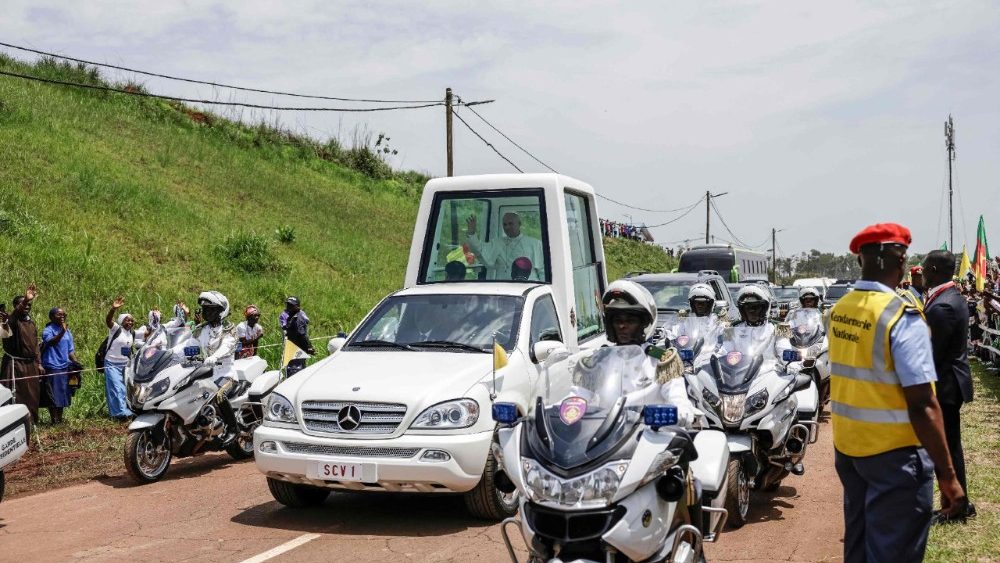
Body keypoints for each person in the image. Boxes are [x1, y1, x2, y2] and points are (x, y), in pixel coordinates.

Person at [830, 223, 965, 562]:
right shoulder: (901, 316)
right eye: (903, 257)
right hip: (894, 456)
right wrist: (948, 477)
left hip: (850, 450)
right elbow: (922, 403)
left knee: (858, 547)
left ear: (861, 259)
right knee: (893, 553)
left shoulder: (840, 310)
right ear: (897, 259)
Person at [922, 250, 976, 521]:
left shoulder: (943, 305)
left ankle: (955, 507)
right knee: (950, 445)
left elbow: (932, 352)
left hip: (945, 385)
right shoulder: (949, 297)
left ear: (933, 269)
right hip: (950, 382)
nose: (921, 272)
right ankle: (960, 502)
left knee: (947, 446)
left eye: (923, 267)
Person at [601, 280, 695, 424]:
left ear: (643, 324)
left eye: (630, 321)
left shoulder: (663, 360)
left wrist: (677, 413)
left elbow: (679, 400)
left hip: (649, 437)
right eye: (617, 320)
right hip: (604, 437)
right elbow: (579, 397)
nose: (622, 326)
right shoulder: (600, 360)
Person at [176, 291, 241, 445]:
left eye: (210, 309)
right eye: (204, 309)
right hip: (207, 373)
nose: (206, 312)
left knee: (219, 395)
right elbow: (187, 346)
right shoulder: (201, 329)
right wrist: (168, 353)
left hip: (226, 374)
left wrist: (215, 357)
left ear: (220, 311)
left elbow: (228, 345)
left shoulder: (229, 328)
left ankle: (233, 429)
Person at [1, 285, 44, 424]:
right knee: (15, 393)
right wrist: (26, 299)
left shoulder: (30, 322)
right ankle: (13, 423)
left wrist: (39, 363)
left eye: (29, 305)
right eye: (23, 304)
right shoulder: (11, 321)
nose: (26, 306)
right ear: (15, 306)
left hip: (31, 364)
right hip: (15, 365)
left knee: (32, 394)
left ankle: (31, 421)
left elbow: (35, 345)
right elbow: (15, 314)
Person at [104, 296, 149, 421]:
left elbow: (148, 333)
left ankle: (125, 410)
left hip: (126, 365)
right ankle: (118, 414)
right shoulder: (116, 329)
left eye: (131, 321)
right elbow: (108, 321)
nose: (129, 322)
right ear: (121, 321)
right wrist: (113, 309)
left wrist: (154, 320)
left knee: (125, 388)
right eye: (127, 320)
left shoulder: (132, 333)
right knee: (116, 388)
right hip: (111, 363)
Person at [466, 212, 544, 281]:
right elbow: (479, 250)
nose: (507, 227)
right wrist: (471, 233)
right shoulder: (497, 242)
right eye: (504, 224)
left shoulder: (535, 244)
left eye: (510, 224)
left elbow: (542, 271)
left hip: (528, 287)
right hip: (504, 287)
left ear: (519, 224)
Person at [40, 307, 78, 424]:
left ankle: (59, 420)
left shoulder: (68, 331)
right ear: (51, 317)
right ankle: (54, 420)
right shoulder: (48, 330)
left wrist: (76, 363)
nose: (62, 316)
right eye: (59, 314)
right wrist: (62, 331)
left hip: (65, 366)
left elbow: (70, 350)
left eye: (63, 314)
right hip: (52, 366)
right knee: (53, 394)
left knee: (62, 393)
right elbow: (51, 342)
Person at [284, 296, 314, 376]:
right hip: (292, 348)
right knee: (292, 370)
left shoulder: (298, 318)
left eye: (291, 305)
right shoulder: (291, 315)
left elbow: (302, 335)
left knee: (295, 372)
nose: (288, 307)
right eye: (288, 305)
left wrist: (308, 347)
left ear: (297, 306)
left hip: (297, 350)